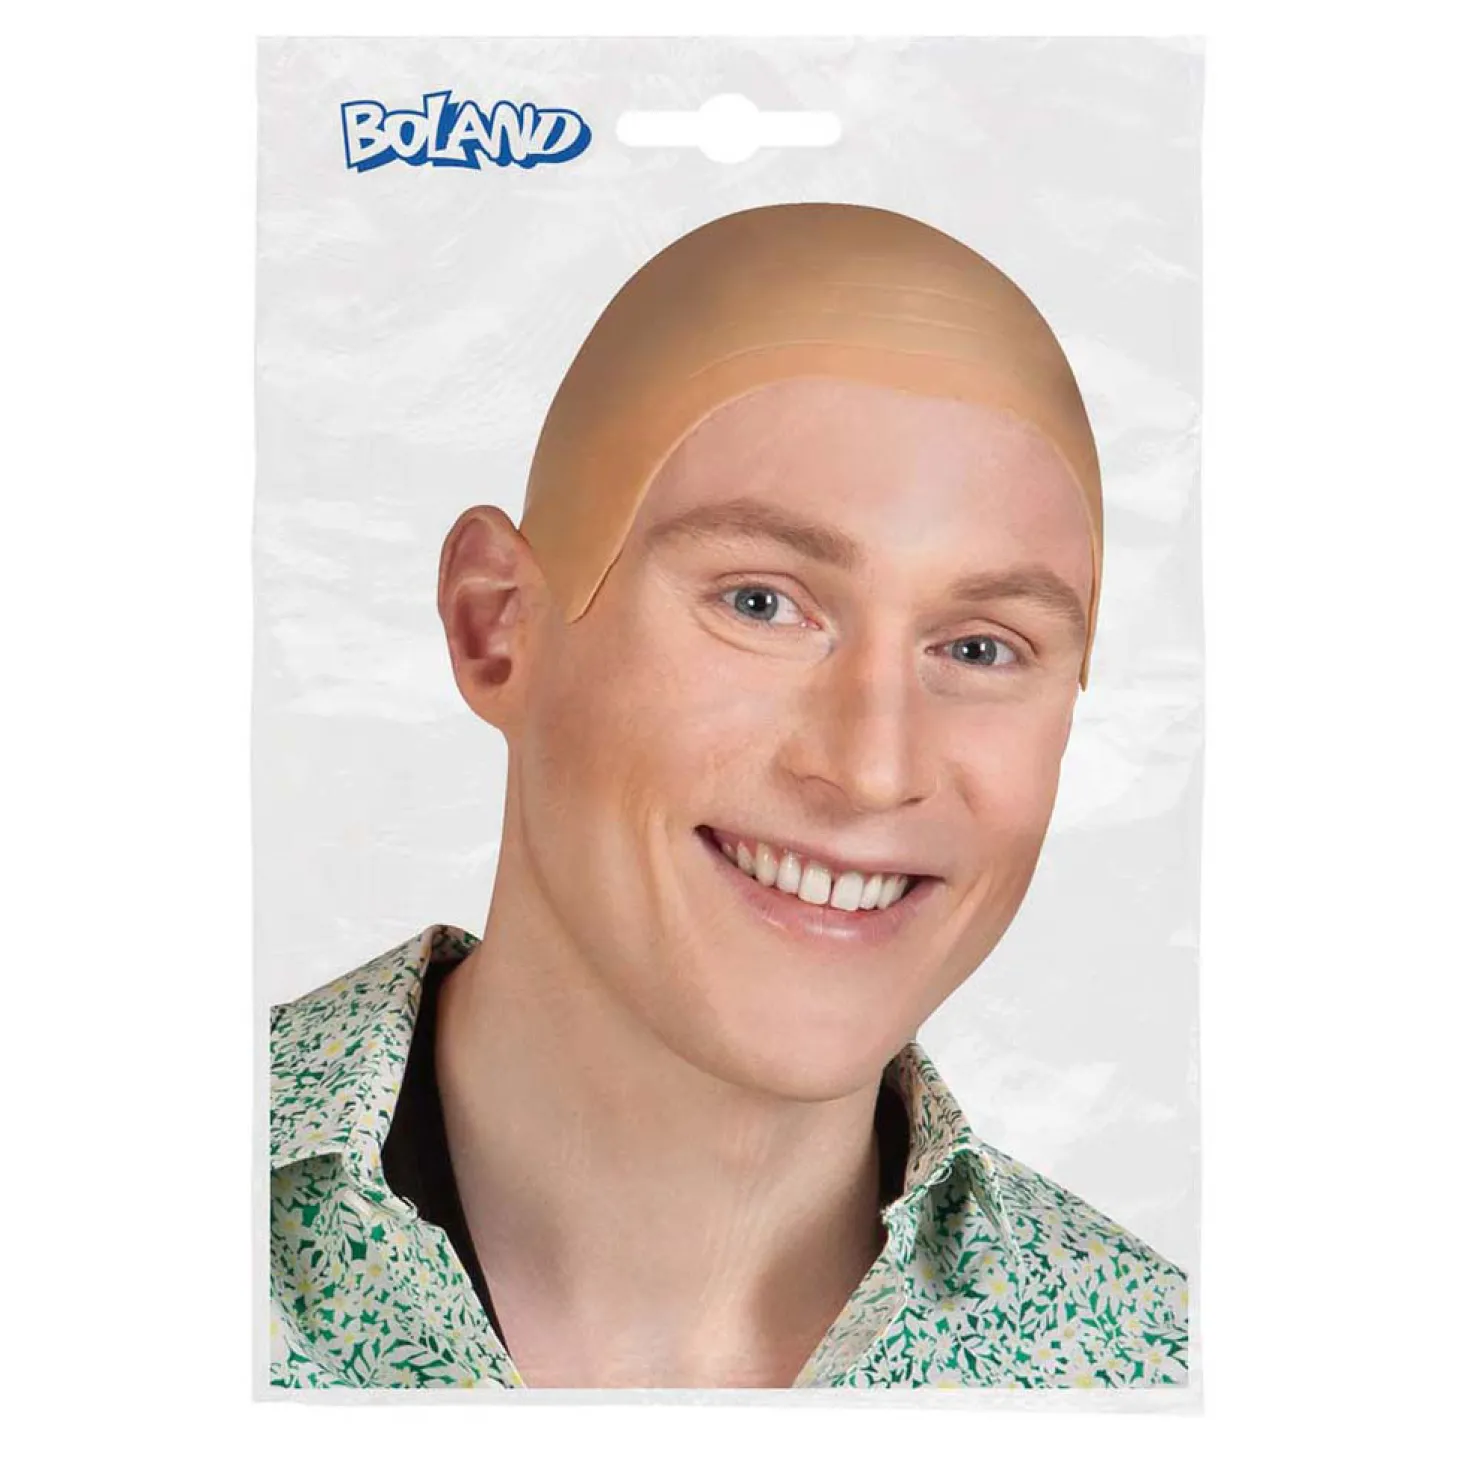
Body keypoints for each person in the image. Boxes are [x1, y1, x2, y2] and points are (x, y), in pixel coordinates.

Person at [268, 203, 1189, 1390]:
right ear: (498, 626)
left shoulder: (1149, 1371)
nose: (870, 767)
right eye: (760, 603)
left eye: (978, 646)